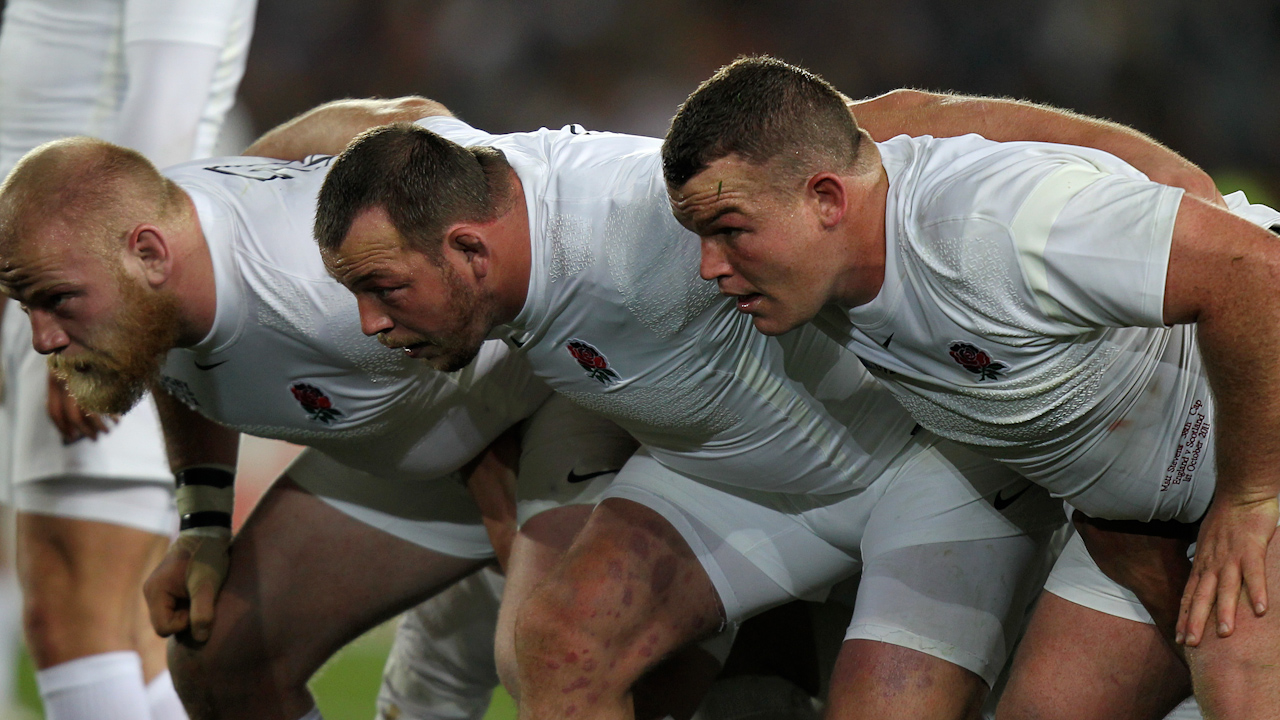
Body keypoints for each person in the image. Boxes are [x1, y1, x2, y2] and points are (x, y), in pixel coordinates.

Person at [312, 99, 1086, 720]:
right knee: (556, 649)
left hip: (922, 464)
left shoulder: (635, 207)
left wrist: (1164, 183)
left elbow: (899, 120)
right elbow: (383, 118)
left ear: (469, 250)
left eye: (383, 289)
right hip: (733, 480)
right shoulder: (463, 190)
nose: (370, 323)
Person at [660, 55, 1280, 718]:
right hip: (1142, 514)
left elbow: (1253, 272)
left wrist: (1251, 496)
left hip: (1258, 448)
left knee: (1241, 680)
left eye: (730, 232)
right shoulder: (815, 197)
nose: (709, 267)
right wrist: (1102, 510)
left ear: (826, 199)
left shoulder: (995, 228)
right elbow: (909, 111)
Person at [0, 96, 652, 720]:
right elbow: (183, 358)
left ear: (149, 253)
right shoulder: (152, 258)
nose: (42, 338)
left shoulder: (317, 276)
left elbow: (416, 125)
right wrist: (203, 522)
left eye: (55, 299)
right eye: (26, 303)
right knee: (220, 660)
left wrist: (503, 463)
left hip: (542, 410)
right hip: (414, 449)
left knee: (558, 659)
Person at [0, 0, 253, 716]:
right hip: (70, 277)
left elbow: (165, 110)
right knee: (133, 635)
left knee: (72, 615)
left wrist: (99, 322)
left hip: (91, 284)